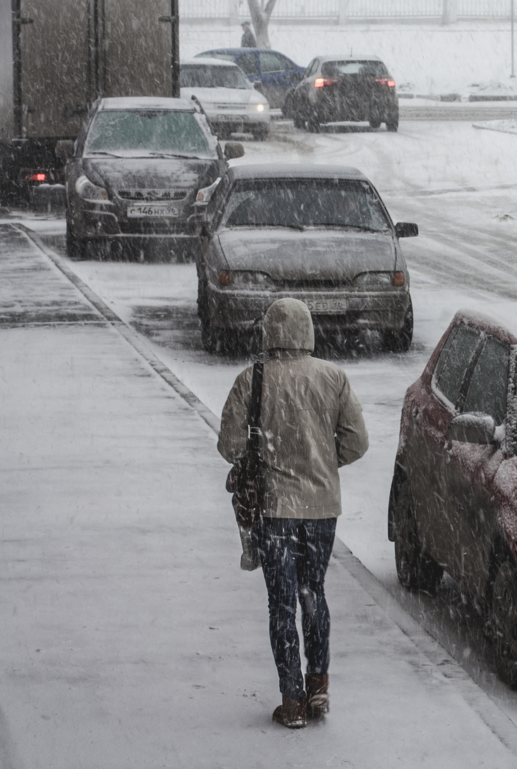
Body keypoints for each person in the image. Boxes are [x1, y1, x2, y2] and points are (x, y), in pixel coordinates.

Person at [218, 298, 368, 729]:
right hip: (322, 508)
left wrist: (266, 454)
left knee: (282, 604)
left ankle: (293, 700)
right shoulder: (333, 377)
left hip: (275, 508)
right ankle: (319, 684)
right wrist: (321, 463)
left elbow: (230, 447)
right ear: (308, 331)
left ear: (268, 332)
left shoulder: (253, 379)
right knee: (313, 593)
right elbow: (357, 443)